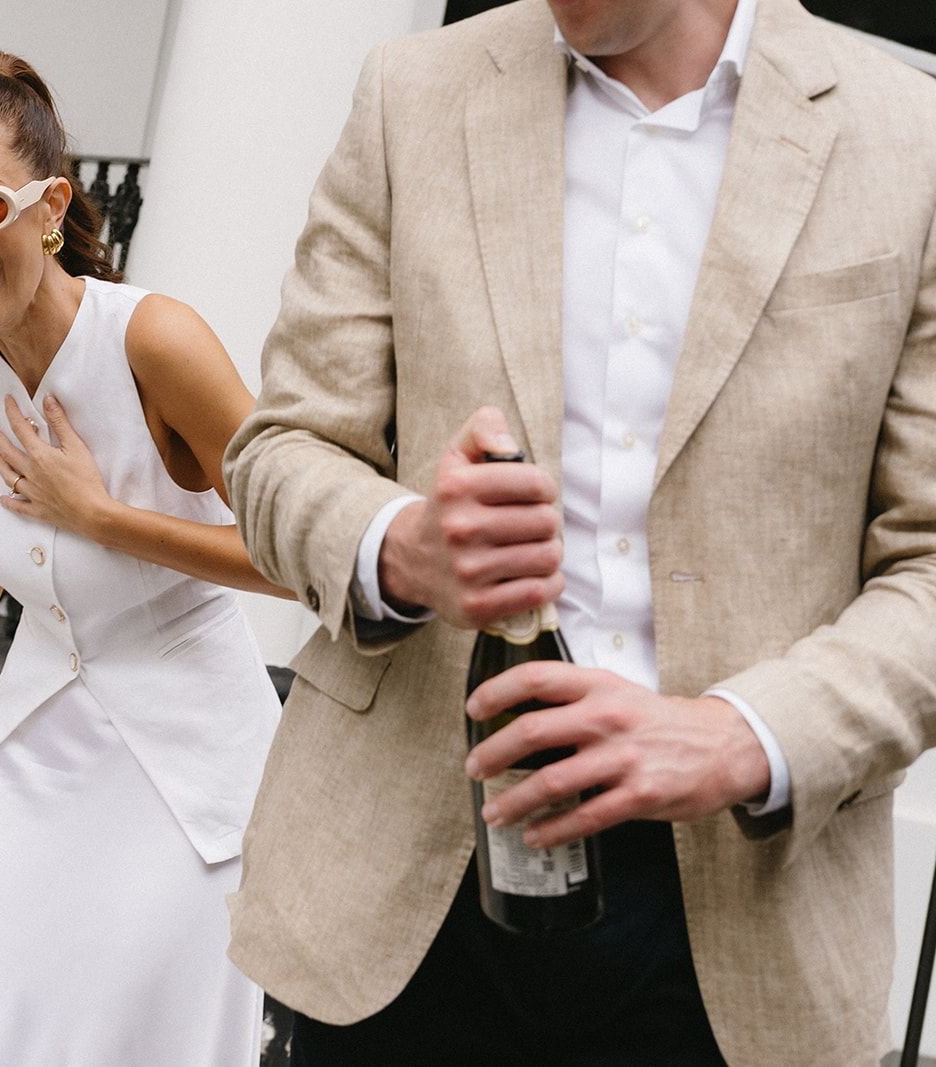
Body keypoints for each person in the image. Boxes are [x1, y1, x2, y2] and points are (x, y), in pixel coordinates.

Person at [223, 0, 936, 1062]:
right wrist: (400, 546)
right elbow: (278, 450)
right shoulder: (409, 94)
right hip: (401, 903)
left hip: (736, 929)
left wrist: (745, 732)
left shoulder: (912, 140)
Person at [0, 52, 285, 1065]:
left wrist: (103, 516)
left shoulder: (157, 341)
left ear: (48, 207)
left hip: (185, 771)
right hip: (30, 743)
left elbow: (303, 552)